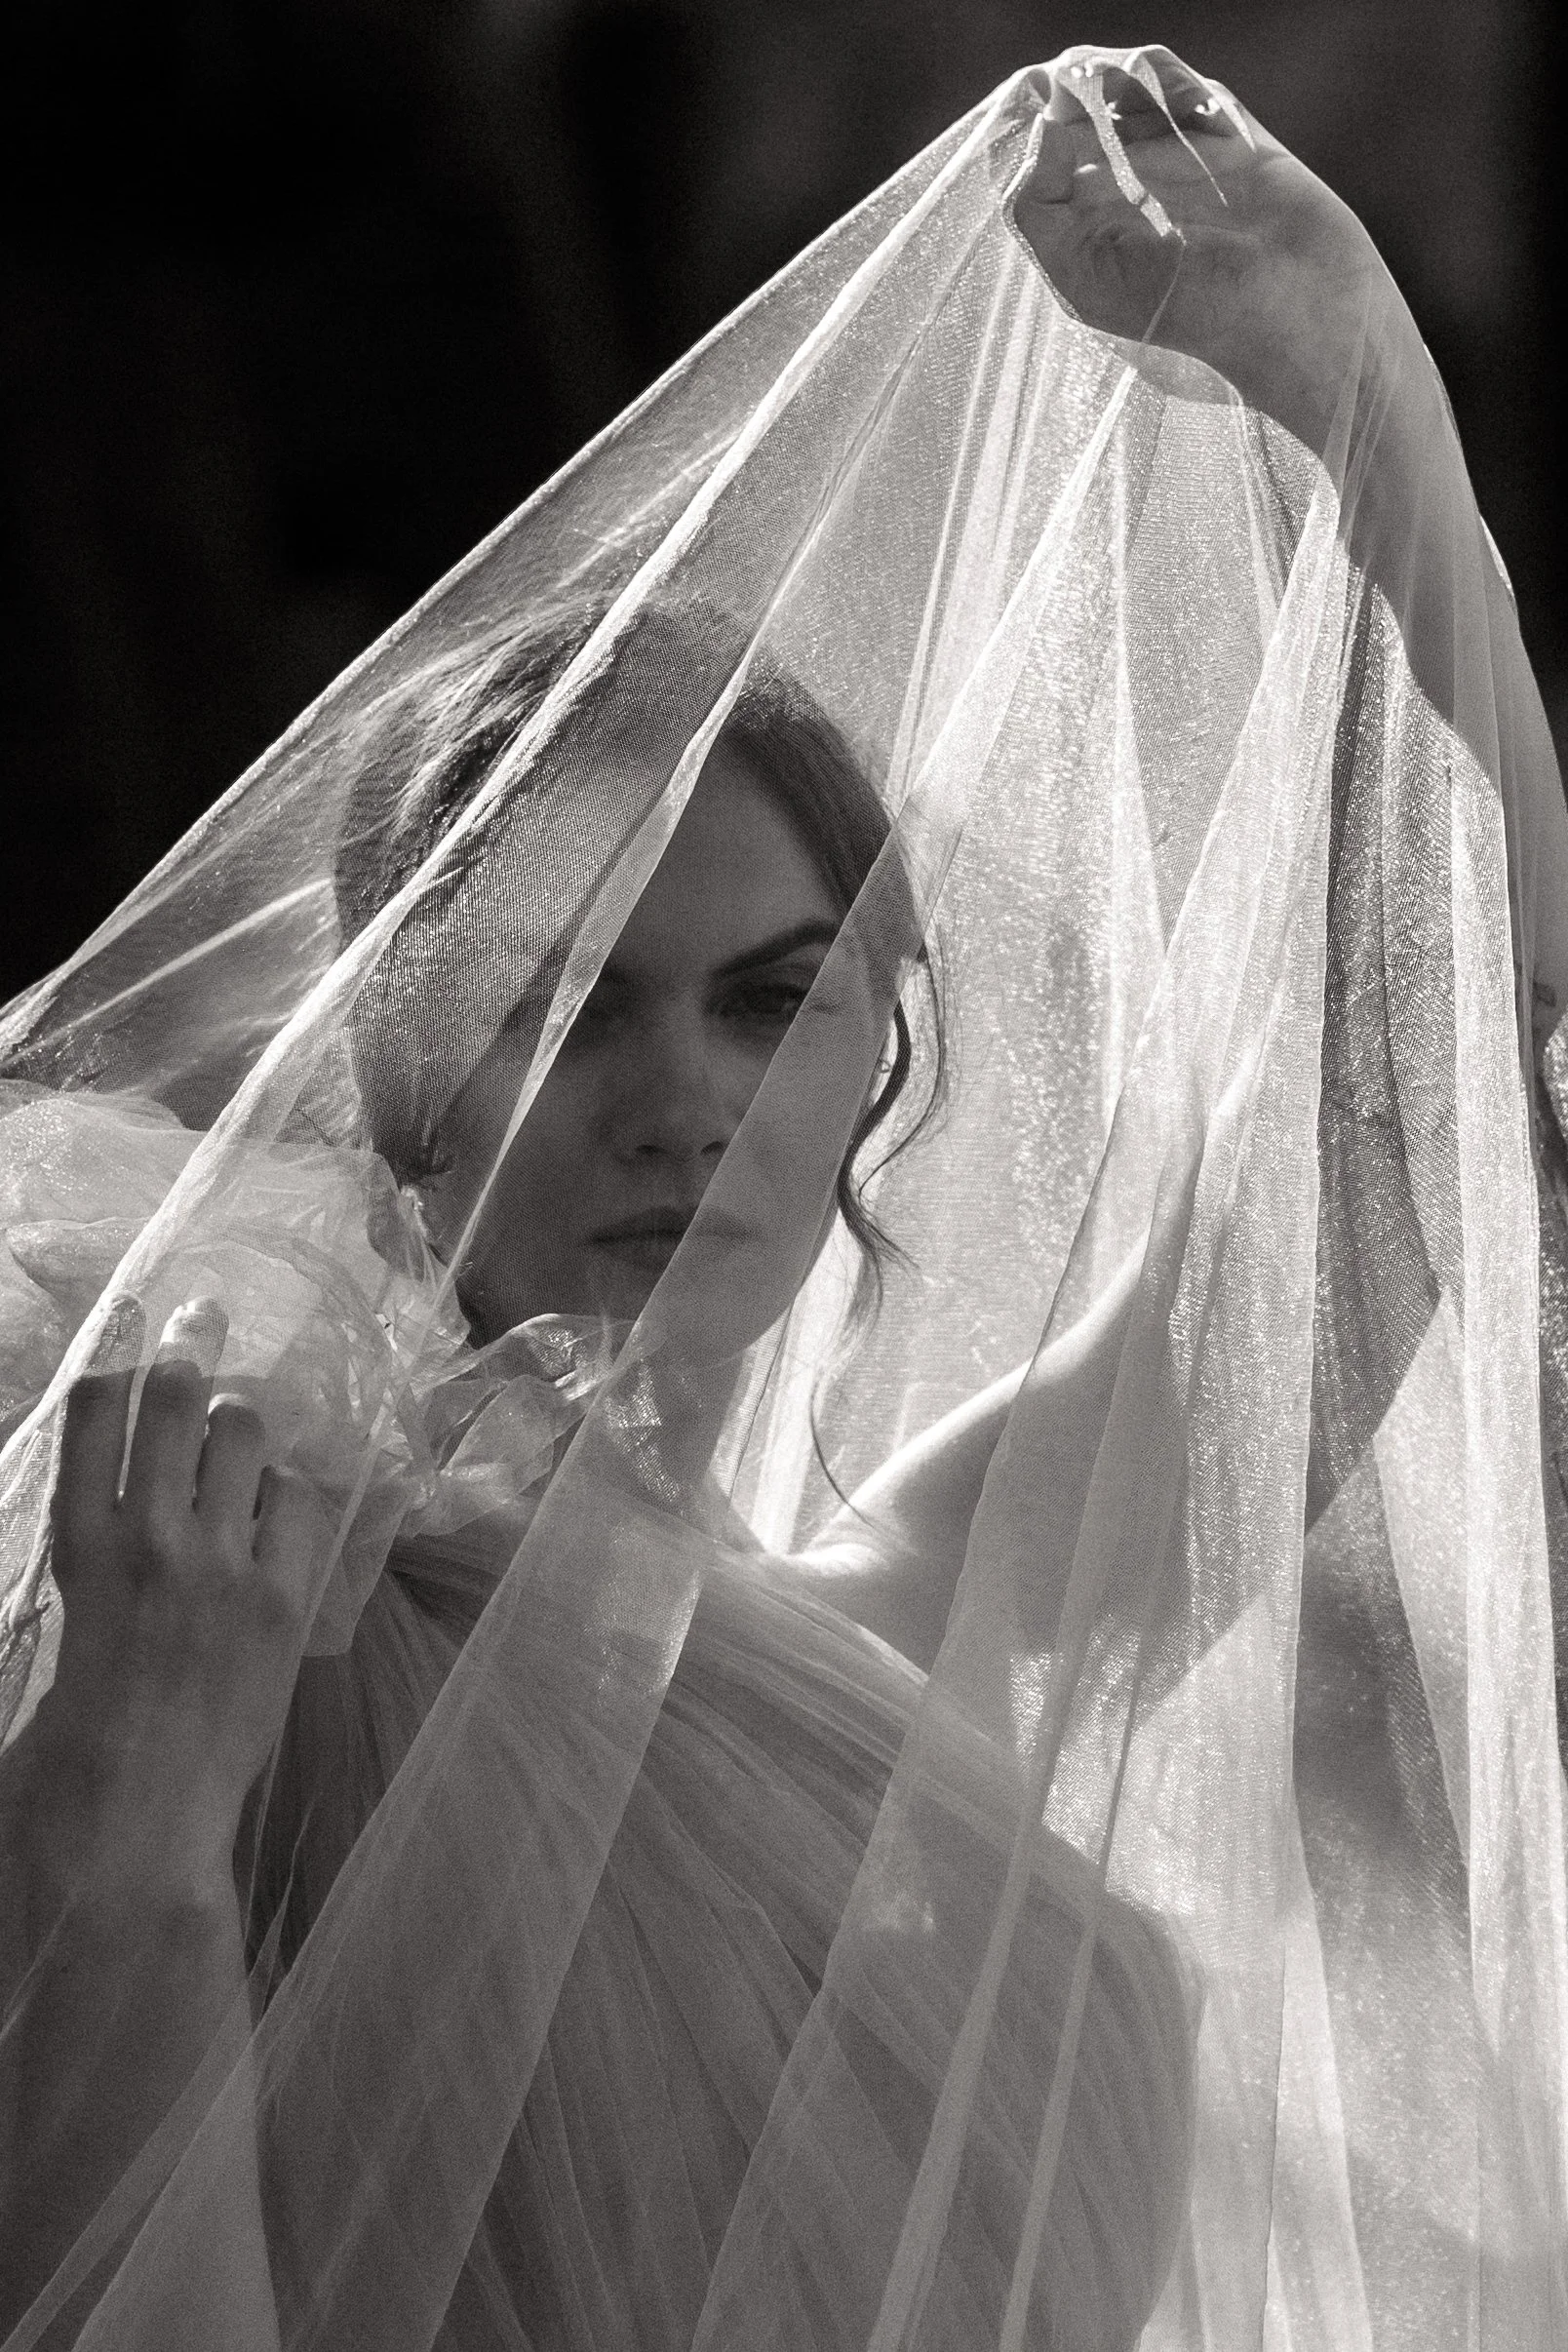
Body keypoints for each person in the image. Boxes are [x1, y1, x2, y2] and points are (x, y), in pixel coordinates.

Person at [2, 43, 1565, 2350]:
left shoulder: (904, 1628)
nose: (685, 1102)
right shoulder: (240, 1624)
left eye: (772, 999)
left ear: (878, 1044)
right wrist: (122, 1833)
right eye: (564, 1007)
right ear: (400, 1066)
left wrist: (1359, 405)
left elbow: (1431, 1081)